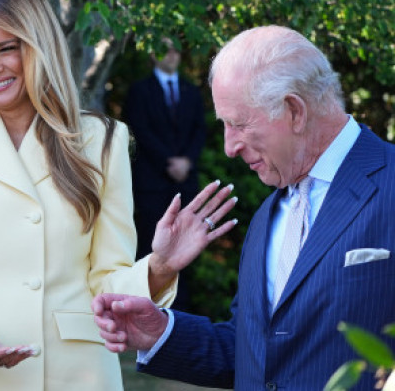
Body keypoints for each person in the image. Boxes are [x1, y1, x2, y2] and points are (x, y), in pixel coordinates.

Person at [0, 0, 237, 390]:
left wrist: (160, 266)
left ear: (39, 48)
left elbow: (106, 278)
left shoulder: (101, 141)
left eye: (7, 49)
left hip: (72, 372)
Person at [93, 26, 395, 390]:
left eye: (238, 124)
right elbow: (252, 352)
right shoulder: (268, 216)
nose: (228, 147)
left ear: (294, 111)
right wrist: (162, 332)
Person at [122, 38, 206, 309]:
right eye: (164, 49)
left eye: (175, 50)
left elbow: (199, 131)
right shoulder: (139, 91)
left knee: (187, 244)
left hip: (185, 183)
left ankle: (182, 312)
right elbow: (139, 131)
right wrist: (168, 161)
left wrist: (187, 162)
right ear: (153, 55)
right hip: (152, 183)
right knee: (151, 246)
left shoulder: (191, 91)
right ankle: (150, 308)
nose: (171, 55)